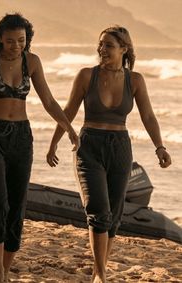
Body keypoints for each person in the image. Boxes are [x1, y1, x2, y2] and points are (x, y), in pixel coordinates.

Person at [0, 13, 78, 283]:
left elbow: (48, 99)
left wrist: (68, 127)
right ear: (0, 38)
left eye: (21, 40)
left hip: (22, 137)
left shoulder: (31, 61)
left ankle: (7, 269)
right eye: (10, 41)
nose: (16, 46)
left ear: (27, 39)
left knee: (17, 204)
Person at [47, 25, 171, 283]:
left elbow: (148, 116)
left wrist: (160, 147)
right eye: (101, 44)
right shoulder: (85, 76)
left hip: (120, 147)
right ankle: (101, 274)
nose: (102, 49)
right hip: (89, 145)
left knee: (113, 215)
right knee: (98, 208)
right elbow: (68, 111)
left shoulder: (134, 80)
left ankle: (98, 269)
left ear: (124, 49)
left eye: (109, 45)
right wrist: (54, 143)